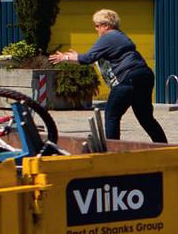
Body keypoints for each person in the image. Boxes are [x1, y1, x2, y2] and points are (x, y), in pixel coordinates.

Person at [49, 9, 167, 143]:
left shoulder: (108, 37)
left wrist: (65, 57)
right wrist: (77, 57)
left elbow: (87, 58)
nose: (96, 29)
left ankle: (112, 148)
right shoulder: (119, 36)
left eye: (97, 26)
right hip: (144, 75)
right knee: (145, 117)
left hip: (130, 77)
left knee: (111, 115)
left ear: (106, 25)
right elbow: (96, 60)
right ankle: (164, 146)